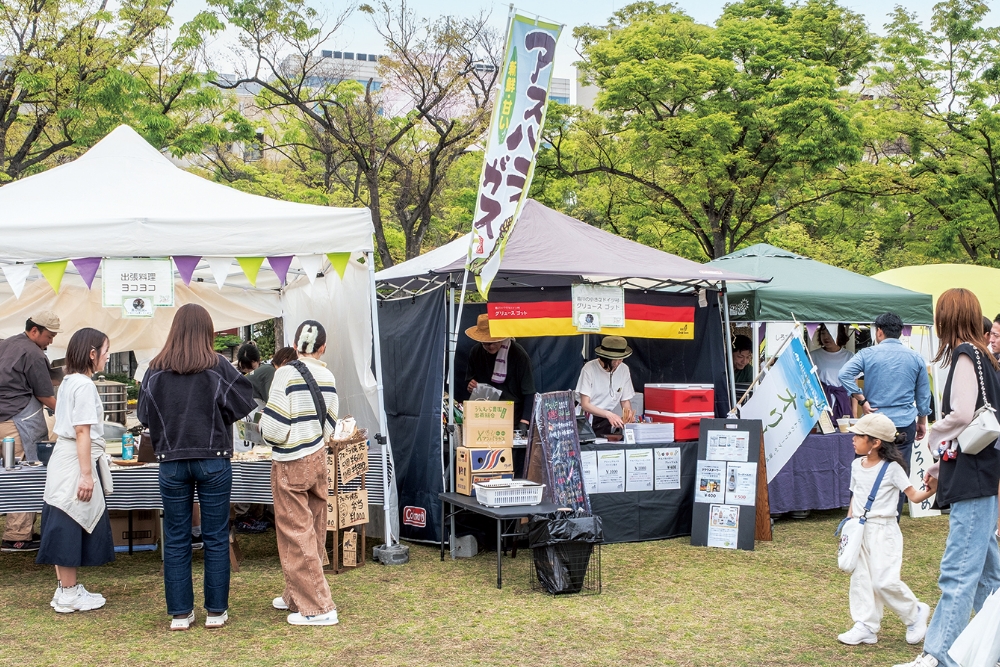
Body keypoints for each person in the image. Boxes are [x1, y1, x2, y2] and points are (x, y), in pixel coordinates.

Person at [894, 288, 1000, 667]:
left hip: (972, 477)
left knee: (958, 573)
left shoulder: (965, 354)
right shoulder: (984, 355)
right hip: (980, 472)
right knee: (990, 576)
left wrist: (934, 435)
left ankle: (938, 656)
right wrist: (941, 464)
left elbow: (961, 414)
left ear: (946, 318)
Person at [137, 304, 255, 631]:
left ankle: (180, 614)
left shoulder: (155, 369)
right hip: (213, 458)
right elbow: (244, 401)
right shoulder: (217, 366)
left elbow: (144, 415)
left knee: (176, 537)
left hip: (171, 461)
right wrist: (218, 417)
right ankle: (216, 612)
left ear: (175, 329)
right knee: (216, 536)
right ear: (208, 330)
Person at [260, 320, 340, 626]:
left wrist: (266, 431)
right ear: (322, 348)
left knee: (295, 532)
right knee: (314, 529)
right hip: (318, 456)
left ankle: (319, 607)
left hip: (291, 460)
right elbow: (329, 426)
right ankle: (296, 593)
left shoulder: (284, 374)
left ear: (294, 346)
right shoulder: (328, 375)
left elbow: (275, 429)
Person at [836, 413, 934, 646]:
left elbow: (914, 496)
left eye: (859, 435)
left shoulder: (892, 469)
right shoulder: (855, 465)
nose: (853, 439)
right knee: (861, 579)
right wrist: (849, 526)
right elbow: (855, 497)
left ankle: (916, 613)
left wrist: (931, 490)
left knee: (884, 580)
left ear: (876, 442)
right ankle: (865, 625)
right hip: (859, 528)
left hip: (884, 529)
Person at [36, 328, 114, 613]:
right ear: (92, 353)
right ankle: (68, 593)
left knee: (62, 517)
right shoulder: (83, 385)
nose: (107, 357)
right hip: (73, 460)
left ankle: (65, 588)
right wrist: (85, 474)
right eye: (105, 351)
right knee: (68, 520)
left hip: (64, 457)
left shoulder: (69, 380)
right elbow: (82, 430)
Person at [839, 312, 931, 518]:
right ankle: (892, 517)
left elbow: (843, 374)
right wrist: (922, 420)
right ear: (899, 332)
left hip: (874, 423)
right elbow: (924, 394)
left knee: (864, 470)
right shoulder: (916, 357)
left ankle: (857, 515)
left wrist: (862, 400)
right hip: (904, 422)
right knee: (898, 474)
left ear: (879, 331)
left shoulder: (867, 353)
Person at [0, 312, 60, 552]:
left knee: (5, 475)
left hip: (4, 417)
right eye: (49, 336)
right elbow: (44, 394)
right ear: (35, 330)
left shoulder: (6, 343)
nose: (51, 341)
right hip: (18, 421)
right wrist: (68, 411)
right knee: (22, 474)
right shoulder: (33, 353)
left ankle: (17, 532)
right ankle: (17, 536)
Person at [464, 314, 536, 429]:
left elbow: (529, 391)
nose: (490, 346)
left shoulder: (518, 354)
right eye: (486, 343)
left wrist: (525, 420)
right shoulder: (476, 352)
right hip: (485, 412)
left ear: (502, 338)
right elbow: (470, 380)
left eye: (494, 342)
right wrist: (471, 385)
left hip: (512, 414)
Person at [577, 336, 636, 437]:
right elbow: (585, 404)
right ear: (605, 358)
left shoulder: (624, 369)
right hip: (585, 417)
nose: (618, 362)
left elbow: (625, 400)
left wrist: (628, 415)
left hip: (606, 418)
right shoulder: (589, 368)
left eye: (621, 359)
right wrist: (608, 414)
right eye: (615, 360)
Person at [813, 324, 855, 420]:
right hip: (821, 402)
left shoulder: (850, 356)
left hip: (843, 402)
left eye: (830, 333)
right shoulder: (813, 356)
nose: (826, 337)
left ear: (839, 335)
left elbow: (854, 387)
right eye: (823, 333)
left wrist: (854, 412)